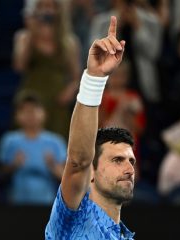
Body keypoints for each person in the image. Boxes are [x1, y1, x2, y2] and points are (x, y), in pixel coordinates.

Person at [45, 16, 136, 239]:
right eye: (117, 160)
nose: (129, 169)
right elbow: (78, 162)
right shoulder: (74, 217)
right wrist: (94, 79)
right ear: (91, 173)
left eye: (130, 161)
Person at [13, 0, 81, 139]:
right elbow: (19, 66)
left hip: (58, 98)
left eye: (51, 6)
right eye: (42, 6)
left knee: (58, 138)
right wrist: (32, 34)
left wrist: (69, 92)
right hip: (31, 96)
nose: (46, 11)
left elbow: (76, 76)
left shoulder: (69, 41)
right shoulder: (24, 37)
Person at [0, 91, 66, 205]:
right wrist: (13, 165)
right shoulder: (9, 140)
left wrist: (53, 167)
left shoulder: (55, 141)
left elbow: (67, 178)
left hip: (47, 203)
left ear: (45, 113)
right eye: (24, 110)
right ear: (16, 116)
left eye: (34, 109)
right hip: (15, 203)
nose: (30, 114)